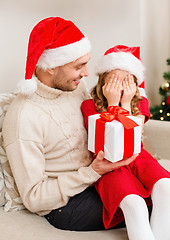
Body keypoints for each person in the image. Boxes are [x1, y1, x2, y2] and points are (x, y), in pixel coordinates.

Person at [2, 17, 137, 232]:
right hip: (66, 204)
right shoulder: (24, 118)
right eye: (79, 66)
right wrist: (91, 172)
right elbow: (34, 198)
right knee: (144, 207)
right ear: (51, 68)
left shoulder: (73, 87)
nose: (86, 73)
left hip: (99, 179)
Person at [81, 45, 170, 240]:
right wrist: (113, 104)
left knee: (165, 186)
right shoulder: (88, 106)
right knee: (134, 203)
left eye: (127, 81)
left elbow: (130, 137)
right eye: (114, 80)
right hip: (109, 163)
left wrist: (126, 105)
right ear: (103, 83)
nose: (120, 87)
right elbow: (111, 144)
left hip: (137, 156)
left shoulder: (139, 103)